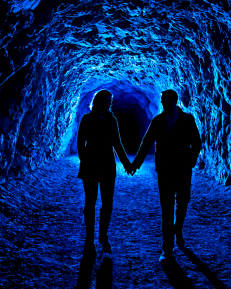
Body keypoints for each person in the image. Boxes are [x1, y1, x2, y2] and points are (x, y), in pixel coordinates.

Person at [131, 89, 202, 262]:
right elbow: (146, 142)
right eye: (162, 100)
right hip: (164, 169)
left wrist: (191, 160)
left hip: (184, 168)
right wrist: (136, 164)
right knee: (167, 207)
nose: (162, 102)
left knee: (183, 202)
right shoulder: (158, 120)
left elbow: (197, 142)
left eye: (165, 100)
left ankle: (178, 229)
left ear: (174, 101)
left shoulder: (187, 119)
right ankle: (167, 247)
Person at [77, 89, 132, 253]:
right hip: (91, 165)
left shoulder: (111, 119)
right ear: (99, 101)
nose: (110, 103)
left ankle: (102, 235)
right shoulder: (87, 119)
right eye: (107, 100)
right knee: (90, 202)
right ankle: (89, 237)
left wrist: (126, 164)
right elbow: (81, 142)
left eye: (111, 101)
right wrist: (85, 161)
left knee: (107, 204)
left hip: (108, 165)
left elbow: (117, 143)